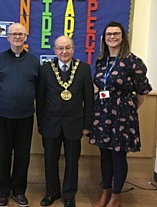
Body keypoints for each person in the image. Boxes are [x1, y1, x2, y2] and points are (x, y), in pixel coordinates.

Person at [89, 21, 152, 207]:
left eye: (116, 34)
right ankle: (105, 192)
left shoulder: (133, 61)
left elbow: (143, 91)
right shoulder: (102, 60)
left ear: (123, 37)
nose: (112, 37)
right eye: (109, 34)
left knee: (118, 155)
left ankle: (116, 196)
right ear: (104, 38)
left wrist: (129, 108)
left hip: (123, 114)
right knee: (104, 154)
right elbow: (101, 86)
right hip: (102, 113)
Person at [36, 35, 94, 207]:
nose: (64, 51)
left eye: (67, 47)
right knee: (50, 160)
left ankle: (69, 195)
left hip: (74, 124)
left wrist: (87, 125)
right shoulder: (46, 69)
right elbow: (40, 99)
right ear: (54, 50)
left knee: (72, 161)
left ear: (73, 49)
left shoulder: (83, 69)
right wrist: (41, 123)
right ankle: (51, 193)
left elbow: (89, 100)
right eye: (60, 48)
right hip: (50, 123)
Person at [0, 23, 39, 207]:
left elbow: (38, 87)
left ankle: (19, 190)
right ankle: (2, 191)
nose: (17, 37)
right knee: (2, 154)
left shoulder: (33, 61)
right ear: (8, 37)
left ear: (26, 37)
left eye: (21, 34)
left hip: (25, 115)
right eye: (14, 34)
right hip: (2, 115)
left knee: (22, 155)